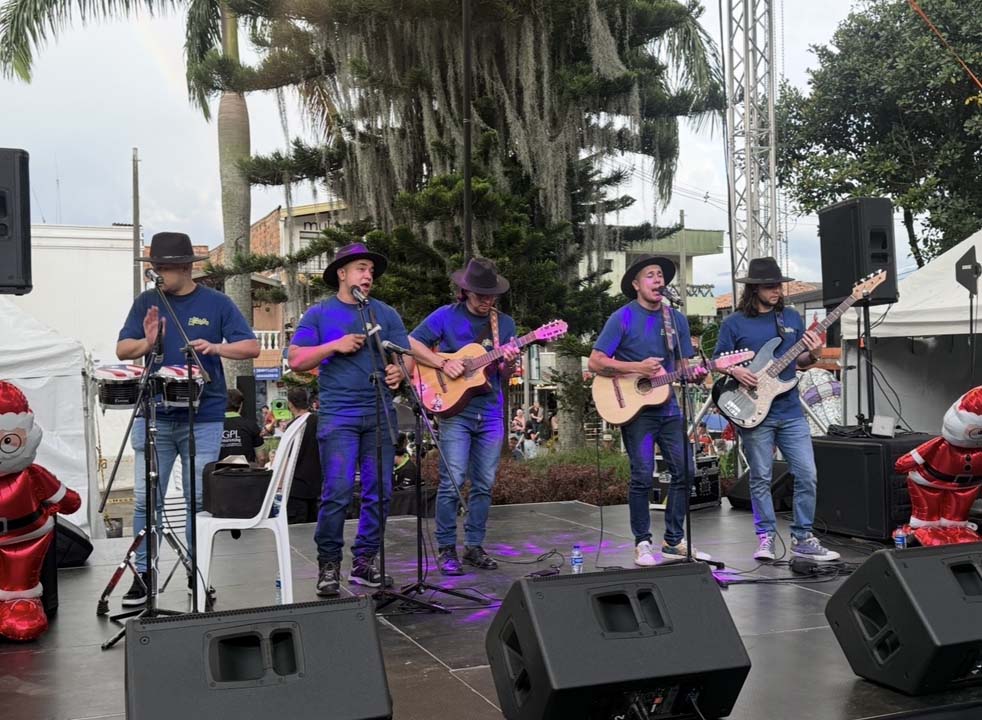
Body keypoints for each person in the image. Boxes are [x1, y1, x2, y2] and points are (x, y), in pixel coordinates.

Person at [116, 232, 260, 605]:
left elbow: (252, 346)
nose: (159, 274)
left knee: (200, 497)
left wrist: (216, 347)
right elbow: (122, 349)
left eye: (163, 268)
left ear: (183, 268)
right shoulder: (147, 301)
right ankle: (143, 574)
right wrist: (148, 343)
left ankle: (198, 572)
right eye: (156, 268)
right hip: (156, 415)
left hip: (205, 416)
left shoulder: (217, 303)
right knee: (146, 500)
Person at [288, 241, 408, 597]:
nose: (368, 276)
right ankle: (328, 564)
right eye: (360, 269)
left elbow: (406, 356)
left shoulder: (385, 314)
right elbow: (296, 359)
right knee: (337, 491)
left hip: (380, 413)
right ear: (342, 274)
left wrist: (399, 373)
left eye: (371, 271)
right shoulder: (320, 314)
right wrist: (333, 346)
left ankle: (365, 562)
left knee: (380, 492)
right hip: (339, 414)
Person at [713, 257, 839, 563]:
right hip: (755, 410)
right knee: (760, 477)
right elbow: (717, 361)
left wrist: (816, 350)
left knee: (807, 474)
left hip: (790, 409)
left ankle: (803, 537)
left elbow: (800, 362)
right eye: (770, 286)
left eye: (779, 285)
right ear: (754, 288)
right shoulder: (734, 323)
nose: (777, 291)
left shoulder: (792, 318)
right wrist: (737, 372)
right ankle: (766, 536)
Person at [587, 254, 708, 566]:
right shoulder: (623, 317)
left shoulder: (676, 320)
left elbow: (682, 366)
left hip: (667, 407)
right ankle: (642, 542)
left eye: (661, 275)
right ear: (637, 284)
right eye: (651, 275)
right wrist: (636, 367)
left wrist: (695, 371)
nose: (658, 280)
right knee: (642, 475)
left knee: (686, 470)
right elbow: (596, 361)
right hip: (634, 409)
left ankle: (673, 539)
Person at [409, 257, 519, 576]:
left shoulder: (505, 325)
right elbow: (411, 343)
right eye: (481, 295)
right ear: (465, 291)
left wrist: (509, 362)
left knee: (484, 483)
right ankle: (446, 548)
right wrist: (443, 364)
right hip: (455, 410)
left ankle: (474, 546)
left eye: (491, 296)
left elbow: (505, 372)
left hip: (491, 412)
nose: (487, 301)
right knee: (452, 481)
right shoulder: (445, 316)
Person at [284, 386, 322, 524]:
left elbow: (288, 458)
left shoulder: (294, 426)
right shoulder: (319, 422)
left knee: (297, 531)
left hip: (296, 488)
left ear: (290, 404)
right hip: (317, 486)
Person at [219, 388, 264, 464]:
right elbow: (261, 458)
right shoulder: (251, 425)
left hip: (218, 473)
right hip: (245, 473)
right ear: (241, 405)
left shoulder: (214, 427)